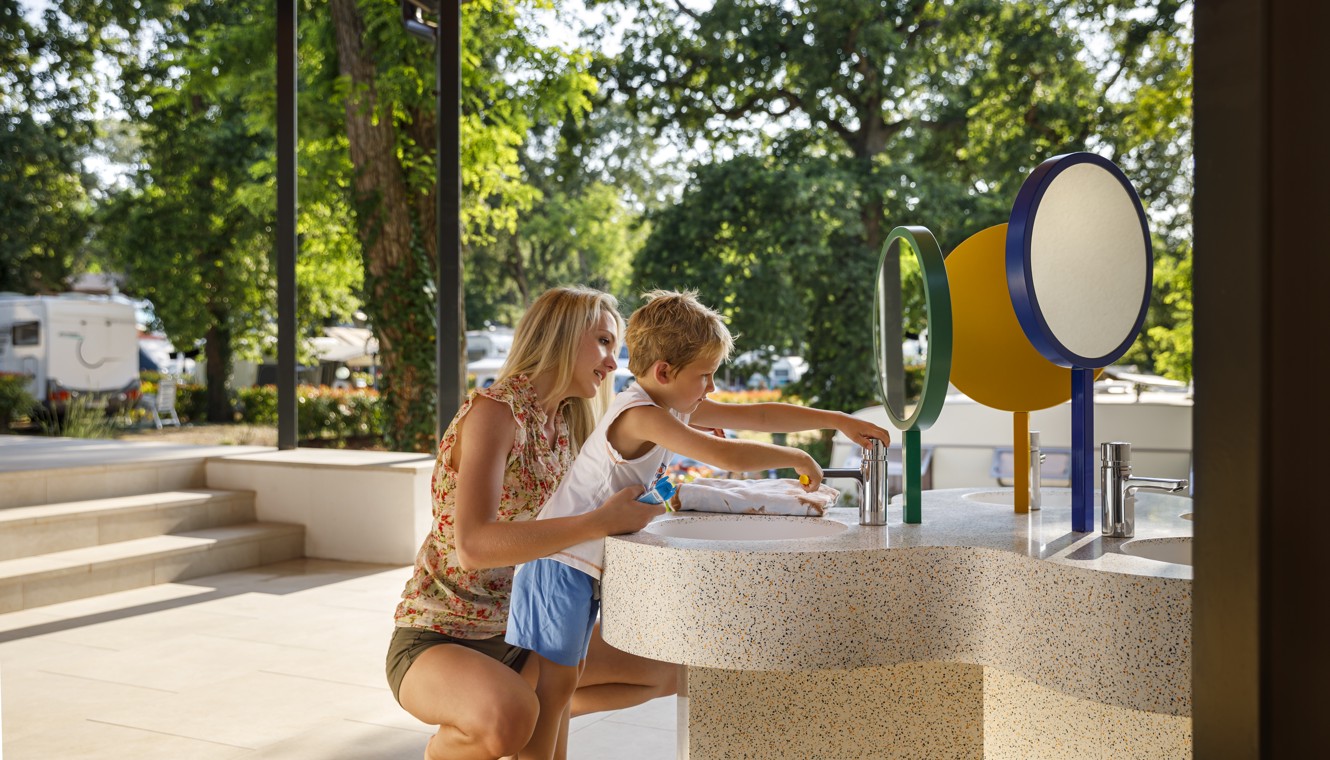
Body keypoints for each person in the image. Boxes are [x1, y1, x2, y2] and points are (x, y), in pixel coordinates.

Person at [505, 289, 892, 759]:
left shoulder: (663, 404)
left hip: (576, 566)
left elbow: (759, 415)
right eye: (704, 376)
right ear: (665, 372)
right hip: (558, 565)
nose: (709, 389)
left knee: (561, 690)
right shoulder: (639, 414)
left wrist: (837, 421)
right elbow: (724, 453)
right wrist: (794, 455)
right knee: (555, 691)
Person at [386, 286, 675, 760]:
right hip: (440, 634)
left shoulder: (566, 425)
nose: (612, 361)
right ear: (560, 335)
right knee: (510, 718)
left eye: (615, 347)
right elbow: (473, 546)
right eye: (604, 341)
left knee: (665, 671)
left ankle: (534, 710)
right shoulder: (492, 414)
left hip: (526, 627)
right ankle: (452, 748)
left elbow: (595, 521)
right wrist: (596, 522)